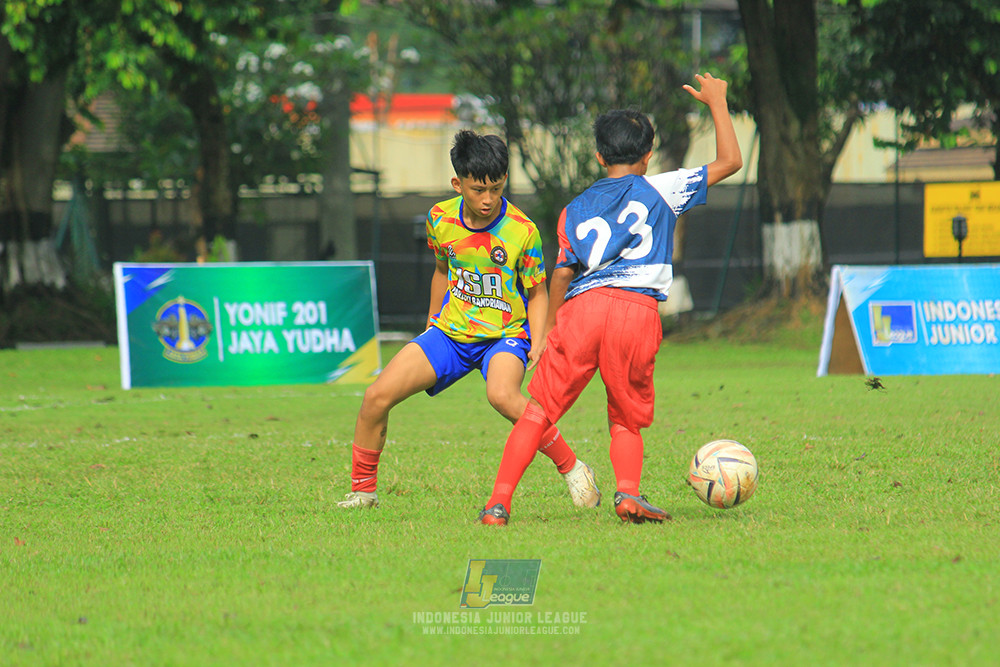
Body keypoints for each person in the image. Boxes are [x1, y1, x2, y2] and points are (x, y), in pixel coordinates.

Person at [477, 73, 743, 526]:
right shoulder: (663, 188)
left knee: (537, 412)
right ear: (648, 155)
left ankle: (498, 504)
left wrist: (549, 330)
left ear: (599, 155)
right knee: (625, 415)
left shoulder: (574, 207)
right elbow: (731, 161)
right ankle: (627, 495)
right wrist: (717, 102)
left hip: (582, 310)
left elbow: (561, 273)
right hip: (635, 311)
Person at [337, 129, 601, 510]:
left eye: (496, 188)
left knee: (503, 396)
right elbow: (443, 270)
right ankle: (363, 493)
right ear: (457, 183)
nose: (488, 199)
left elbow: (538, 291)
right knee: (376, 396)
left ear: (505, 180)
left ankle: (574, 469)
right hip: (450, 334)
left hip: (504, 336)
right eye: (478, 189)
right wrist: (432, 318)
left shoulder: (521, 231)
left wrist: (540, 338)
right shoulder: (440, 218)